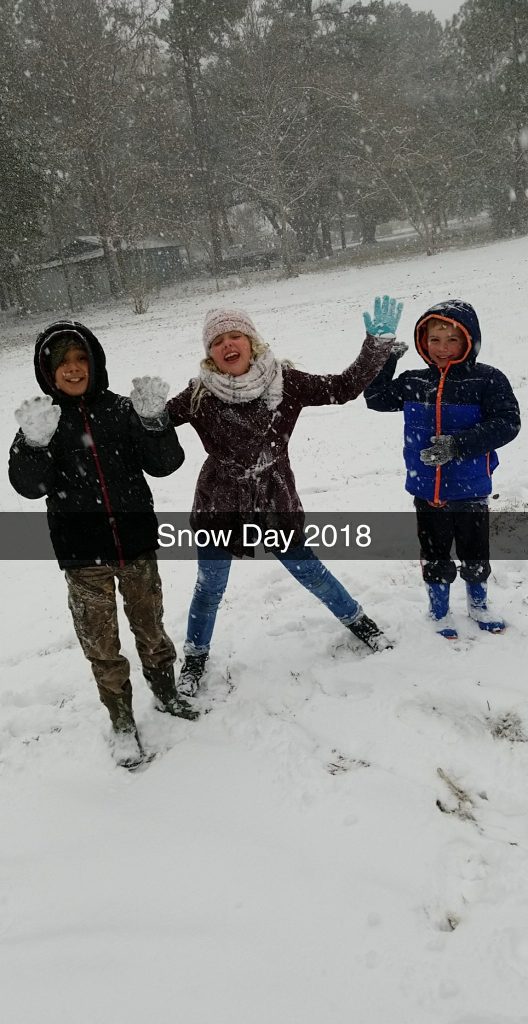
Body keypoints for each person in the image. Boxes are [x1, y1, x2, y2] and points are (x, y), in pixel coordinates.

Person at [157, 298, 403, 700]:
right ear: (210, 353)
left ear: (251, 341)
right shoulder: (199, 394)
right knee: (209, 587)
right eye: (217, 341)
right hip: (220, 504)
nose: (227, 344)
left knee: (311, 572)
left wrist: (375, 348)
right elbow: (158, 423)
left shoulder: (285, 381)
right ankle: (195, 658)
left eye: (235, 335)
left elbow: (342, 388)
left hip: (274, 500)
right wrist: (148, 415)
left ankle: (361, 624)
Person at [8, 320, 193, 770]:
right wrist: (34, 444)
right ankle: (122, 721)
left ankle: (166, 693)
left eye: (80, 359)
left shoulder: (122, 409)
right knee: (102, 646)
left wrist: (154, 423)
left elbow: (166, 464)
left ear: (94, 361)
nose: (73, 369)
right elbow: (28, 487)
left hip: (136, 546)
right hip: (81, 556)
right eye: (62, 363)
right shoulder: (44, 420)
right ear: (48, 372)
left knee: (151, 629)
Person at [364, 299, 521, 638]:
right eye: (434, 339)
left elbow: (508, 423)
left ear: (469, 341)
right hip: (427, 490)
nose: (442, 348)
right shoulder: (415, 381)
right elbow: (376, 399)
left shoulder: (487, 380)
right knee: (435, 554)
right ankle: (438, 610)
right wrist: (385, 358)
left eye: (452, 339)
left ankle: (478, 604)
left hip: (471, 489)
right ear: (423, 341)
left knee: (474, 552)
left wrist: (457, 445)